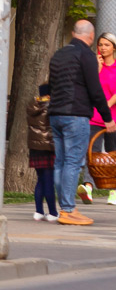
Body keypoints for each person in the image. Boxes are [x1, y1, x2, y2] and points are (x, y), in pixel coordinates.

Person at [47, 20, 116, 226]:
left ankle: (65, 207)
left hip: (55, 114)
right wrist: (107, 118)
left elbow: (51, 85)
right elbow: (95, 90)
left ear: (73, 33)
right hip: (76, 115)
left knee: (60, 162)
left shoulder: (59, 54)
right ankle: (68, 210)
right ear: (91, 35)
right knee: (73, 162)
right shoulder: (86, 55)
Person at [83, 31, 116, 205]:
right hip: (94, 117)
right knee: (92, 152)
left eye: (106, 45)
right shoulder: (95, 67)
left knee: (112, 153)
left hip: (114, 117)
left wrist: (106, 108)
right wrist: (97, 70)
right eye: (100, 44)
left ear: (114, 47)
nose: (103, 48)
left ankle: (113, 191)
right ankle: (88, 186)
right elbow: (90, 88)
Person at [27, 83, 57, 222]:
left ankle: (38, 211)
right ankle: (52, 212)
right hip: (48, 147)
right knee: (49, 181)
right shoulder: (51, 107)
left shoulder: (33, 106)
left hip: (35, 148)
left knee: (40, 180)